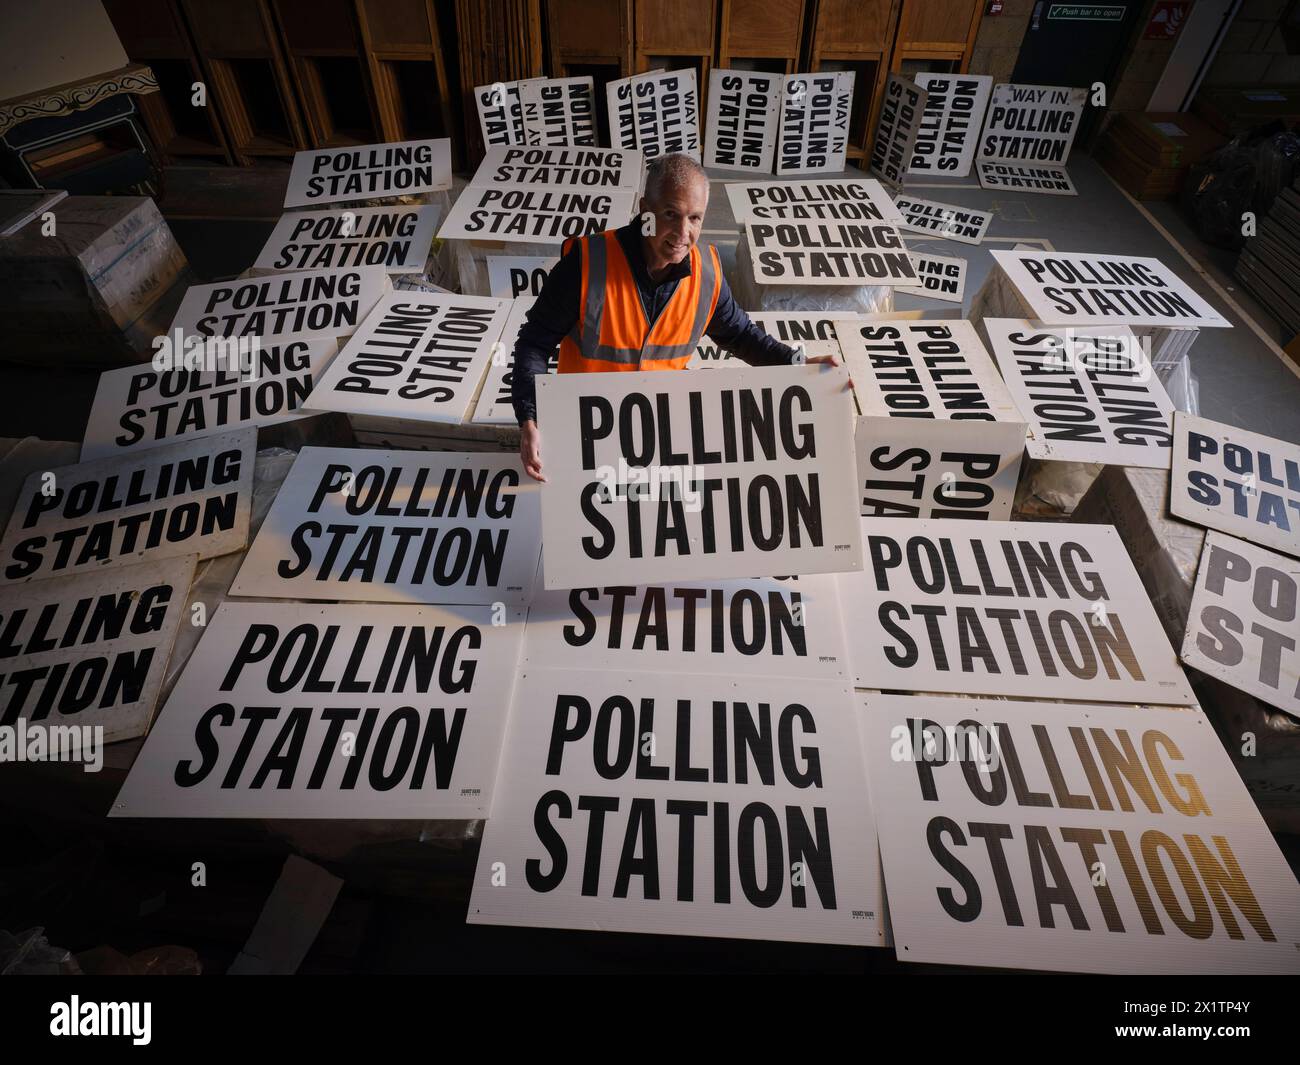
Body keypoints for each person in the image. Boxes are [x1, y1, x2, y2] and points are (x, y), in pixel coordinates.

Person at [510, 152, 846, 482]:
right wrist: (530, 418)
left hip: (658, 438)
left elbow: (742, 336)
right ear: (645, 212)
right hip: (585, 433)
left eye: (695, 218)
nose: (683, 232)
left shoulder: (707, 276)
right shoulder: (587, 264)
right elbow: (534, 344)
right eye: (671, 214)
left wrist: (797, 364)